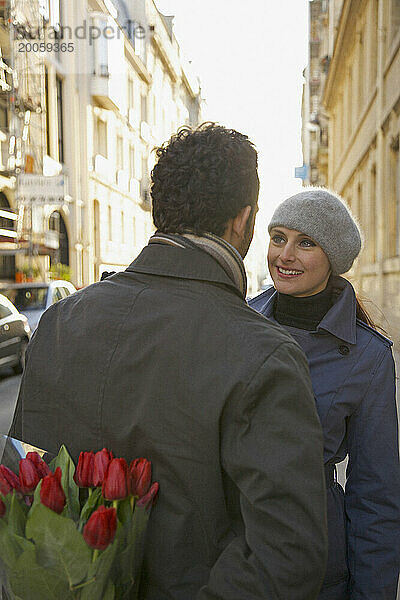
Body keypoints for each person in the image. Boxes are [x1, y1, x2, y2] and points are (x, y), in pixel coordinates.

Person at [9, 124, 328, 599]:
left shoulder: (60, 321)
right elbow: (286, 557)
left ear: (161, 210)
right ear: (243, 220)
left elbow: (22, 493)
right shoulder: (264, 354)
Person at [250, 188, 400, 600]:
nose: (285, 255)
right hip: (230, 550)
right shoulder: (237, 324)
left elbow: (376, 498)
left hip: (314, 557)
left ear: (333, 258)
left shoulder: (368, 356)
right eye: (278, 237)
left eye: (306, 242)